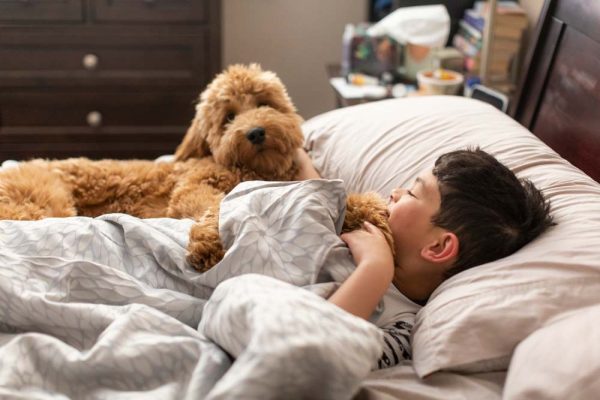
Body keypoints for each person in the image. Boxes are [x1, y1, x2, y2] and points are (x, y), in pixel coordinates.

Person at [294, 147, 555, 368]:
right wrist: (299, 156)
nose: (394, 192)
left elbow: (307, 359)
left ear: (438, 246)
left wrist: (375, 269)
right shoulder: (360, 224)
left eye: (412, 193)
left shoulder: (403, 330)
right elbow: (317, 199)